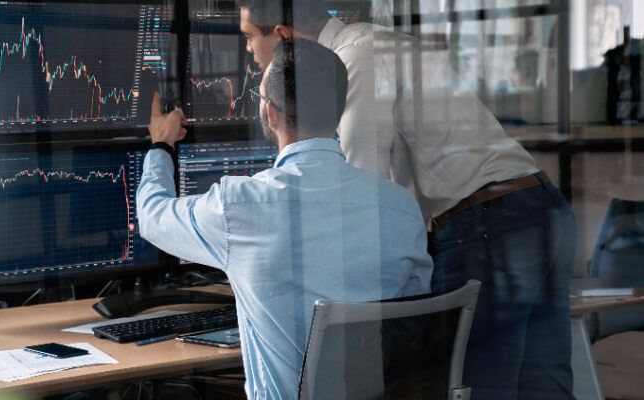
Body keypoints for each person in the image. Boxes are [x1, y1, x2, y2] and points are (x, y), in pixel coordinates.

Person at [237, 1, 577, 399]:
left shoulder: (354, 58)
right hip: (539, 206)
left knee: (469, 387)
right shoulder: (375, 42)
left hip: (488, 223)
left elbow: (362, 186)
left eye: (248, 37)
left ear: (282, 36)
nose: (247, 50)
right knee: (544, 387)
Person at [137, 38, 432, 399]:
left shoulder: (239, 206)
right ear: (338, 112)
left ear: (271, 113)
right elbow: (415, 318)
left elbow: (153, 216)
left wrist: (160, 146)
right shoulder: (401, 208)